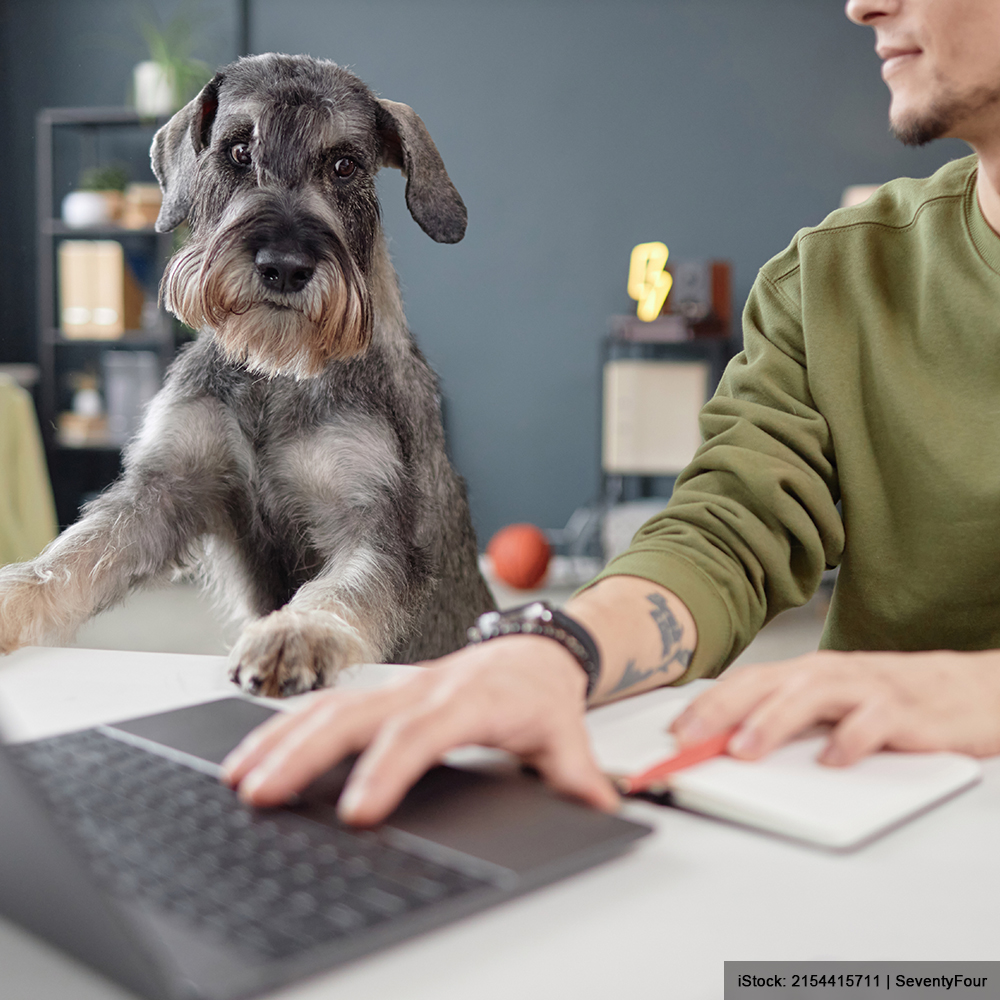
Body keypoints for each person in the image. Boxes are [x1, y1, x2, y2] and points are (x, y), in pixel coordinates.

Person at [222, 0, 1000, 825]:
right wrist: (554, 650)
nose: (862, 4)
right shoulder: (835, 277)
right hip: (885, 810)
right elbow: (728, 534)